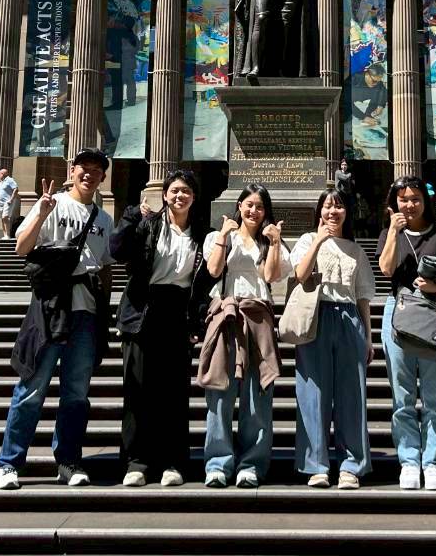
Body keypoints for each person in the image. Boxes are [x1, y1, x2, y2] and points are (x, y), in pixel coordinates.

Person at [0, 149, 114, 490]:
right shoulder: (53, 203)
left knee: (76, 393)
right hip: (50, 308)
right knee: (32, 388)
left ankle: (68, 461)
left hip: (86, 313)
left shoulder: (104, 220)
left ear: (103, 177)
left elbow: (105, 267)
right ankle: (9, 463)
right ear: (72, 171)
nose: (89, 175)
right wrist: (41, 213)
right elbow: (21, 247)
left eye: (96, 170)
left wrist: (105, 311)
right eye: (83, 168)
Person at [111, 170, 214, 487]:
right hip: (144, 310)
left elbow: (204, 283)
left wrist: (197, 320)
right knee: (138, 391)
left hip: (178, 312)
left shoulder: (202, 233)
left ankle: (173, 462)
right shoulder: (148, 224)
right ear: (165, 195)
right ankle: (137, 462)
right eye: (175, 190)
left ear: (194, 197)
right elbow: (117, 251)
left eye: (186, 191)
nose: (180, 196)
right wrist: (131, 216)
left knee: (174, 393)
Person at [377, 175, 436, 491]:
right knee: (402, 396)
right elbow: (386, 270)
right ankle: (409, 461)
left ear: (426, 201)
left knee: (433, 395)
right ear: (394, 203)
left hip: (433, 311)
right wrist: (393, 231)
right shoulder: (390, 232)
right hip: (398, 310)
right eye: (403, 199)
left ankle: (433, 462)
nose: (410, 205)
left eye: (415, 198)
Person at [199, 184, 287, 488]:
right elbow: (213, 270)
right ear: (239, 205)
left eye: (260, 206)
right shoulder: (219, 237)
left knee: (257, 395)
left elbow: (271, 276)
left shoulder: (270, 241)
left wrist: (274, 243)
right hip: (227, 316)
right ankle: (217, 463)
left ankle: (251, 463)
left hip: (258, 316)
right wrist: (223, 235)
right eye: (249, 204)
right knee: (220, 393)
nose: (253, 211)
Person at [290, 188, 376, 489]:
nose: (332, 212)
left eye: (338, 206)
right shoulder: (306, 241)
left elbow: (363, 296)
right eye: (327, 206)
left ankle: (351, 465)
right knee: (313, 392)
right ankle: (316, 465)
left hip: (350, 318)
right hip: (317, 316)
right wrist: (318, 240)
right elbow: (300, 274)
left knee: (352, 394)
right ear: (319, 212)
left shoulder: (356, 249)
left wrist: (368, 336)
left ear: (346, 212)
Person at [0, 167, 20, 240]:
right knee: (2, 218)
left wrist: (11, 199)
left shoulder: (9, 180)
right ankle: (5, 235)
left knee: (5, 217)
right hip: (0, 203)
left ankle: (8, 235)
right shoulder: (1, 182)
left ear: (2, 174)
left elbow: (16, 189)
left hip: (8, 202)